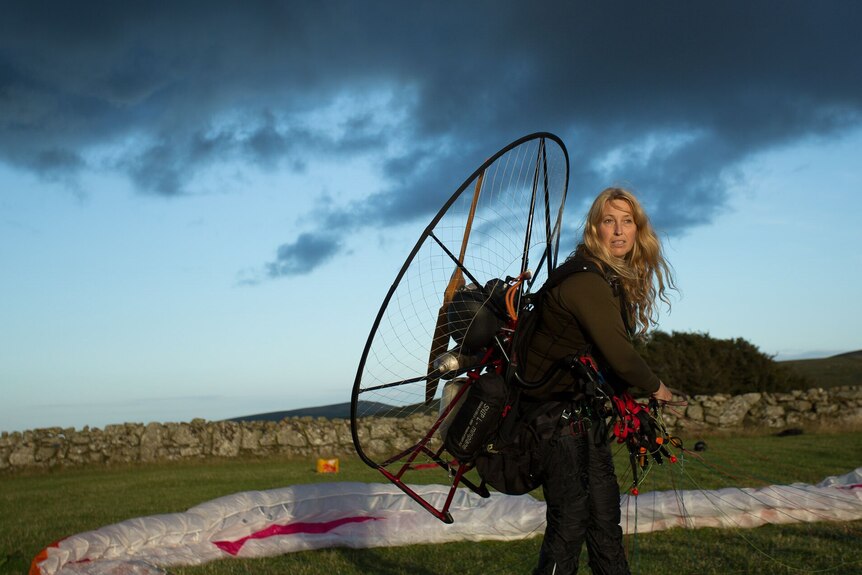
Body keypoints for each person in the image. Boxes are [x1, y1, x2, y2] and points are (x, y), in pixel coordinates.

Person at [523, 186, 676, 575]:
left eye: (628, 222)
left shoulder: (606, 279)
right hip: (551, 419)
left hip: (582, 415)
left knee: (605, 518)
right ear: (595, 229)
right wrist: (656, 387)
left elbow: (605, 362)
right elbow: (621, 356)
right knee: (571, 519)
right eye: (610, 221)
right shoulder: (586, 280)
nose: (620, 231)